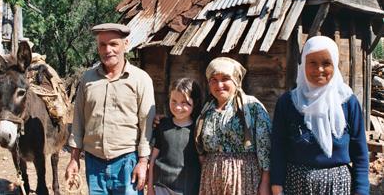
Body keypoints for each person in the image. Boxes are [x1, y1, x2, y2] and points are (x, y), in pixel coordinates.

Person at [270, 36, 369, 195]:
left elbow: (360, 153)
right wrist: (276, 186)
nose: (319, 69)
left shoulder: (348, 102)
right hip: (296, 184)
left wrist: (362, 190)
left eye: (326, 63)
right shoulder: (288, 103)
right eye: (313, 63)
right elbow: (278, 148)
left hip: (338, 185)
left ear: (335, 65)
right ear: (303, 65)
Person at [65, 23, 156, 194]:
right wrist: (74, 159)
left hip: (127, 162)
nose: (108, 50)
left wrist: (143, 162)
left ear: (125, 45)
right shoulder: (87, 79)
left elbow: (146, 123)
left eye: (113, 44)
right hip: (94, 163)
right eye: (102, 45)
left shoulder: (140, 79)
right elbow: (78, 120)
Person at [196, 57, 272, 195]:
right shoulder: (206, 110)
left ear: (236, 80)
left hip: (244, 178)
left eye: (225, 78)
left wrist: (265, 182)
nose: (219, 85)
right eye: (214, 79)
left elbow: (265, 146)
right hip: (211, 178)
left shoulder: (251, 106)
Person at [147, 78, 204, 195]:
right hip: (161, 187)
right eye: (174, 101)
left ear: (195, 102)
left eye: (184, 102)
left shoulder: (198, 130)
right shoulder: (162, 125)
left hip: (189, 189)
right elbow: (153, 158)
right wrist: (150, 188)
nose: (178, 107)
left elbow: (202, 162)